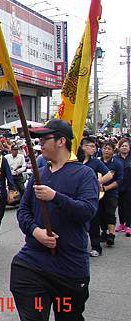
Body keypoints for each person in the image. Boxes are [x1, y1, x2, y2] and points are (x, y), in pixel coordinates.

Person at [10, 119, 98, 321]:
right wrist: (35, 231)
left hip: (68, 267)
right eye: (38, 139)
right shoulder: (39, 174)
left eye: (45, 138)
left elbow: (87, 211)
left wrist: (55, 197)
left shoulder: (85, 174)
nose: (40, 143)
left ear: (61, 141)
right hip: (32, 264)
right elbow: (23, 211)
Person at [77, 137, 112, 257]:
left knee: (93, 221)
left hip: (92, 196)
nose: (94, 149)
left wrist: (97, 182)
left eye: (94, 147)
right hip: (76, 196)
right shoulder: (75, 160)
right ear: (83, 147)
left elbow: (109, 175)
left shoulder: (96, 162)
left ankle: (96, 247)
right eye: (91, 146)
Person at [99, 141, 122, 246]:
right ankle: (103, 232)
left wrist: (106, 188)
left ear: (113, 151)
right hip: (98, 193)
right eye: (105, 148)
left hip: (111, 193)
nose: (106, 150)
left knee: (110, 212)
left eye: (109, 149)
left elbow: (119, 180)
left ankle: (111, 234)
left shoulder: (117, 163)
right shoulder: (97, 161)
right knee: (100, 213)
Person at [115, 138, 131, 236]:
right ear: (119, 147)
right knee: (120, 206)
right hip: (119, 186)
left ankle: (128, 225)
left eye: (126, 146)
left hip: (130, 186)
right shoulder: (115, 158)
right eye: (122, 146)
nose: (124, 147)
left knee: (128, 205)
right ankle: (121, 224)